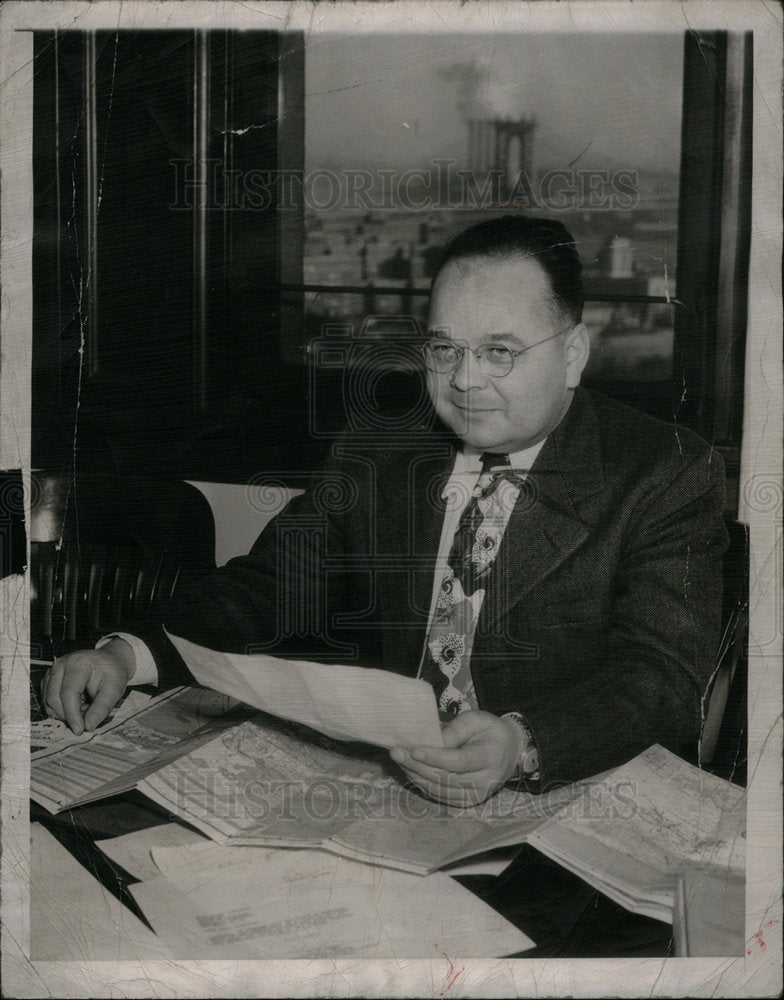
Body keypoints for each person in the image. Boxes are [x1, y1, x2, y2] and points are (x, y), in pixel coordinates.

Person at [41, 215, 727, 806]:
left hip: (566, 794)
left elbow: (662, 674)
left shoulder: (663, 469)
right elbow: (270, 586)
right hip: (397, 784)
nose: (463, 379)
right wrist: (130, 653)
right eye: (444, 348)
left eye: (499, 352)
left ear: (574, 353)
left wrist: (523, 742)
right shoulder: (382, 448)